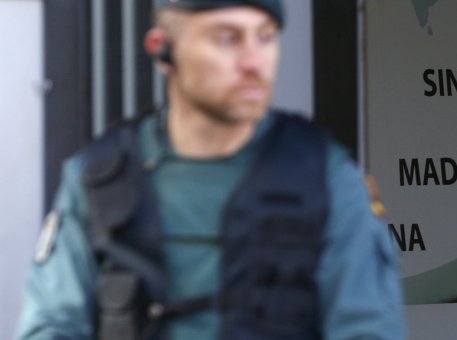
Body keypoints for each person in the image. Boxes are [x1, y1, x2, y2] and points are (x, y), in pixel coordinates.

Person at [16, 0, 405, 339]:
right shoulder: (97, 178)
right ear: (162, 49)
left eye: (266, 37)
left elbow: (367, 329)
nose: (255, 63)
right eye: (227, 39)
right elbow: (52, 326)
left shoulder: (328, 178)